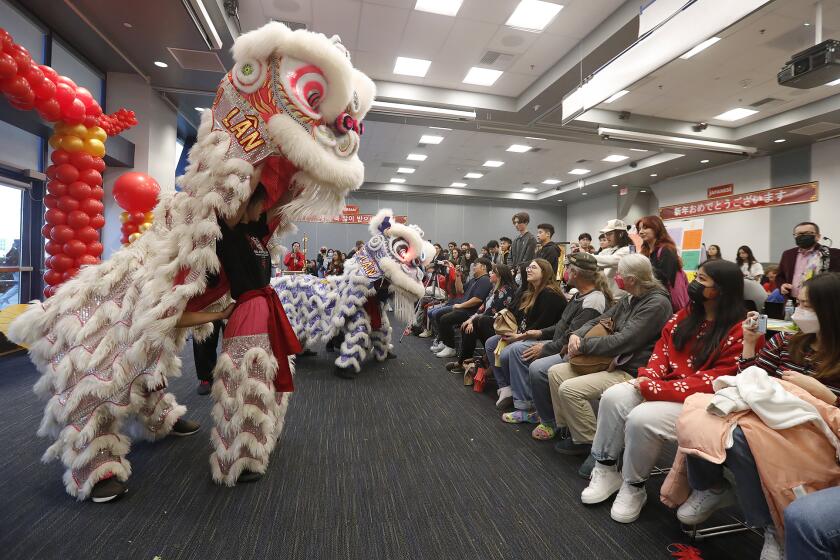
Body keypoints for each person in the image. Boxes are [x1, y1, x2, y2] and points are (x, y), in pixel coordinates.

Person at [673, 272, 840, 559]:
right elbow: (749, 381)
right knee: (701, 409)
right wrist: (750, 344)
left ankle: (772, 526)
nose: (798, 312)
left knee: (739, 438)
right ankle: (710, 486)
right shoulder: (786, 342)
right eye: (797, 303)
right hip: (767, 418)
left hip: (816, 433)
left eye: (808, 307)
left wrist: (827, 396)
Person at [581, 260, 747, 524]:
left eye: (702, 280)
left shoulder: (739, 330)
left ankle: (633, 486)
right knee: (613, 396)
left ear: (722, 289)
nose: (694, 284)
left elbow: (714, 380)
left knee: (641, 418)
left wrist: (656, 387)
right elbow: (662, 350)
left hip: (700, 403)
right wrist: (651, 377)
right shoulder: (685, 316)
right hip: (662, 385)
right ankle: (605, 468)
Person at [547, 254, 672, 457]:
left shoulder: (656, 304)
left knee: (569, 389)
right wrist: (576, 335)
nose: (616, 278)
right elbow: (600, 320)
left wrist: (583, 346)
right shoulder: (631, 297)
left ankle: (592, 443)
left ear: (632, 279)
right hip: (611, 359)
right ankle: (571, 428)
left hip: (631, 368)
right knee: (555, 373)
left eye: (620, 274)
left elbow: (622, 341)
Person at [525, 252, 612, 441]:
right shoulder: (579, 295)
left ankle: (550, 421)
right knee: (518, 350)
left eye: (567, 269)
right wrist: (540, 334)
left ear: (575, 273)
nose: (564, 272)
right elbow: (562, 326)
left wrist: (545, 348)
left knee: (537, 368)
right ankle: (535, 406)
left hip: (576, 352)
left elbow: (573, 337)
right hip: (560, 344)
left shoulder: (593, 300)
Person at [486, 258, 567, 413]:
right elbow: (521, 318)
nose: (528, 270)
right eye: (528, 267)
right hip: (525, 334)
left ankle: (524, 403)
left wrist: (519, 336)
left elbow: (542, 327)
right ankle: (506, 388)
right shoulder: (530, 292)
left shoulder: (550, 294)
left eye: (533, 268)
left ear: (544, 272)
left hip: (545, 338)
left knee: (510, 352)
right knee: (491, 343)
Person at [445, 263, 517, 373]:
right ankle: (464, 362)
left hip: (499, 324)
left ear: (499, 276)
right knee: (467, 326)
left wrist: (473, 321)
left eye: (493, 272)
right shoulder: (494, 289)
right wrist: (470, 320)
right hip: (486, 320)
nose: (490, 274)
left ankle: (483, 360)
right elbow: (481, 308)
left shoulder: (506, 290)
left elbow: (493, 313)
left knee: (476, 323)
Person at [432, 258, 494, 358]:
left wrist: (461, 305)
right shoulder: (475, 279)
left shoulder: (485, 280)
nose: (473, 267)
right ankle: (445, 342)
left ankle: (451, 347)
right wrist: (458, 276)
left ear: (483, 267)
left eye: (476, 265)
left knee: (444, 318)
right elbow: (460, 290)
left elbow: (477, 300)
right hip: (462, 307)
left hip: (470, 311)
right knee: (438, 314)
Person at [776, 221, 840, 300]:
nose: (802, 236)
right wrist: (782, 285)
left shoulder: (832, 254)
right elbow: (780, 276)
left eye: (807, 233)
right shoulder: (788, 254)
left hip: (821, 302)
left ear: (818, 236)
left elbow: (836, 278)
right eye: (799, 234)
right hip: (792, 302)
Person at [636, 215, 687, 311]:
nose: (641, 232)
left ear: (656, 228)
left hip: (666, 300)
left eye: (645, 228)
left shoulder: (666, 250)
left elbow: (664, 277)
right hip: (654, 298)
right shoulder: (645, 251)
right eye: (639, 229)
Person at [593, 219, 633, 295]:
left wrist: (586, 256)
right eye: (605, 234)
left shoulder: (628, 250)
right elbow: (599, 257)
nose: (606, 237)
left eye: (609, 234)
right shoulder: (611, 250)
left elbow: (610, 261)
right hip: (611, 295)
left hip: (620, 297)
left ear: (620, 234)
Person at [510, 212, 537, 279]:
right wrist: (511, 268)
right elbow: (510, 257)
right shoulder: (515, 239)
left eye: (518, 222)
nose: (516, 225)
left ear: (526, 222)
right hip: (513, 272)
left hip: (524, 273)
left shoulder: (531, 239)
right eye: (515, 222)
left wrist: (519, 270)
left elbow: (527, 258)